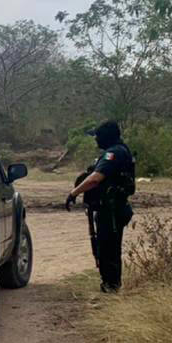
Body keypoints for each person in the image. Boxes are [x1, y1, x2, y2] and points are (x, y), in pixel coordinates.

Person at [65, 120, 136, 293]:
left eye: (97, 136)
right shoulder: (121, 150)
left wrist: (74, 193)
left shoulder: (113, 153)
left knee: (108, 249)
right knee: (108, 247)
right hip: (113, 208)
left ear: (105, 137)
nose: (95, 140)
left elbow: (96, 178)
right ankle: (110, 284)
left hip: (111, 209)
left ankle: (111, 286)